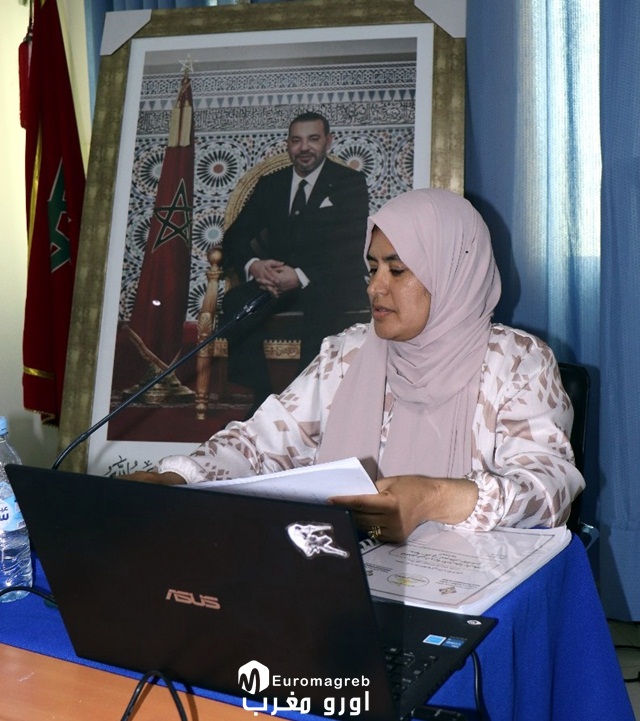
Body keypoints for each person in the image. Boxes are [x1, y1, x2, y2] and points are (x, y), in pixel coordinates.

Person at [127, 188, 585, 543]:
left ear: (453, 271)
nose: (374, 288)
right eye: (372, 268)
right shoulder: (348, 352)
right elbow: (259, 445)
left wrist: (432, 498)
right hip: (342, 569)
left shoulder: (517, 361)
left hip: (471, 586)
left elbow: (550, 489)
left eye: (396, 270)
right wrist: (179, 477)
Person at [221, 111, 370, 410]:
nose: (304, 148)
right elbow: (234, 237)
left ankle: (306, 402)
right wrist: (255, 266)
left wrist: (300, 276)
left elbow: (352, 245)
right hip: (275, 282)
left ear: (328, 141)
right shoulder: (271, 184)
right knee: (236, 302)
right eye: (296, 140)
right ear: (288, 144)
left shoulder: (349, 182)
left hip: (328, 281)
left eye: (313, 139)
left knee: (323, 305)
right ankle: (261, 400)